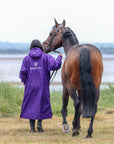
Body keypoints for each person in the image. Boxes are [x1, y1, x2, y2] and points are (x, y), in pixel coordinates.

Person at [19, 39, 62, 132]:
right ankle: (39, 125)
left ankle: (31, 129)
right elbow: (55, 66)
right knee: (41, 104)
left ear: (31, 47)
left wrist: (25, 82)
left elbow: (22, 73)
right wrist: (59, 57)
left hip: (30, 87)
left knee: (30, 105)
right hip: (43, 86)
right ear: (40, 47)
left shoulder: (26, 59)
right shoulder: (46, 57)